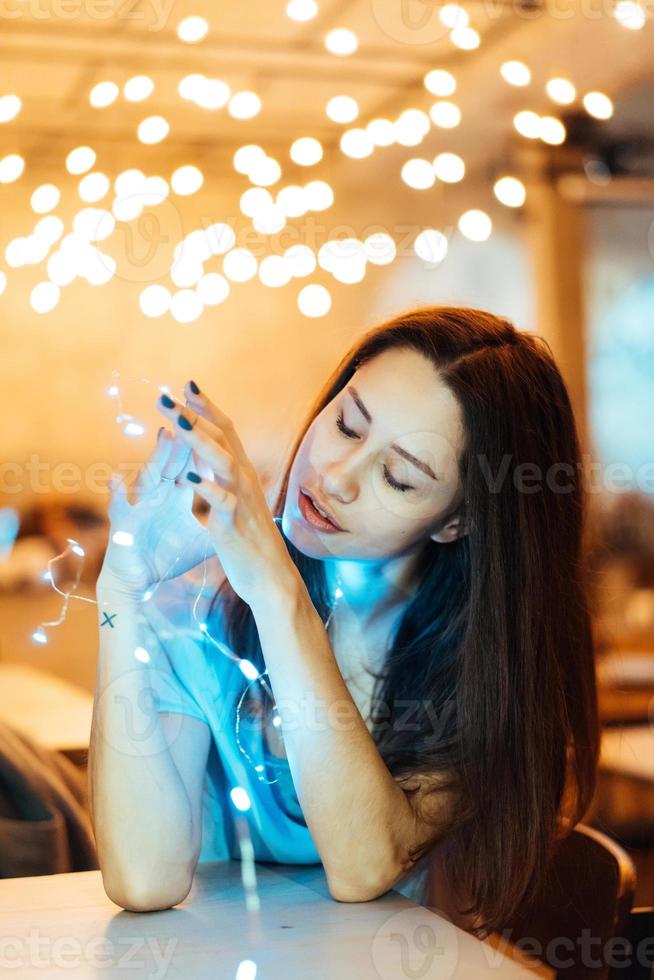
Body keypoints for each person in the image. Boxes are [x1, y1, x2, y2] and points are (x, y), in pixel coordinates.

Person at [89, 305, 599, 937]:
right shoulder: (196, 619)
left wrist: (277, 590)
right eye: (348, 426)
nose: (335, 477)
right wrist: (120, 588)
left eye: (399, 477)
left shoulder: (484, 676)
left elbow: (363, 866)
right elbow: (144, 878)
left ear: (457, 522)